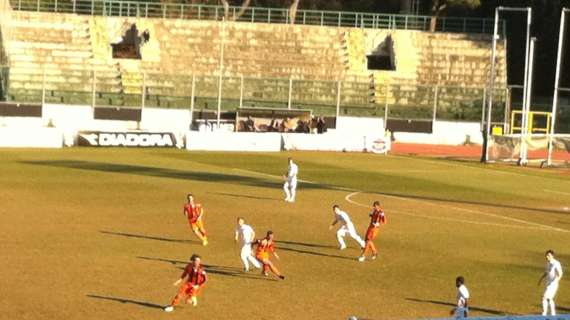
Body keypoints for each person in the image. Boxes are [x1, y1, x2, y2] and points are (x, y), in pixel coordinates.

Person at [538, 249, 563, 316]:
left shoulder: (556, 263)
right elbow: (546, 272)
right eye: (546, 255)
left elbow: (560, 273)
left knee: (544, 297)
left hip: (553, 284)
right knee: (549, 298)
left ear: (552, 256)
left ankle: (544, 314)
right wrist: (541, 279)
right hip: (548, 283)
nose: (547, 257)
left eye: (548, 255)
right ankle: (553, 314)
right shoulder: (548, 263)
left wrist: (556, 280)